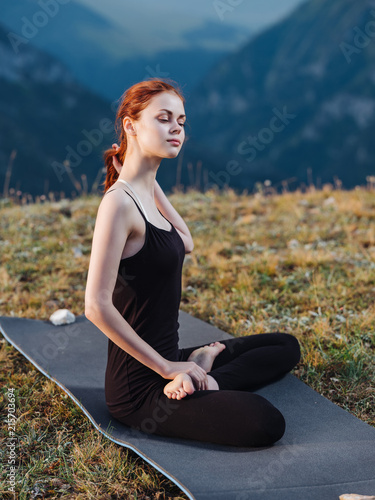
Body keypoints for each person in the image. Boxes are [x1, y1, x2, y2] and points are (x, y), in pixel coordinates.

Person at [85, 78, 301, 447]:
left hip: (172, 357)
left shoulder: (142, 192)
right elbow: (95, 306)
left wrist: (145, 179)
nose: (176, 129)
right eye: (164, 118)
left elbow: (185, 241)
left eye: (182, 122)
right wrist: (169, 369)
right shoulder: (118, 204)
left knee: (284, 346)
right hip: (139, 388)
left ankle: (202, 374)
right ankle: (191, 375)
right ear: (131, 125)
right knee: (265, 422)